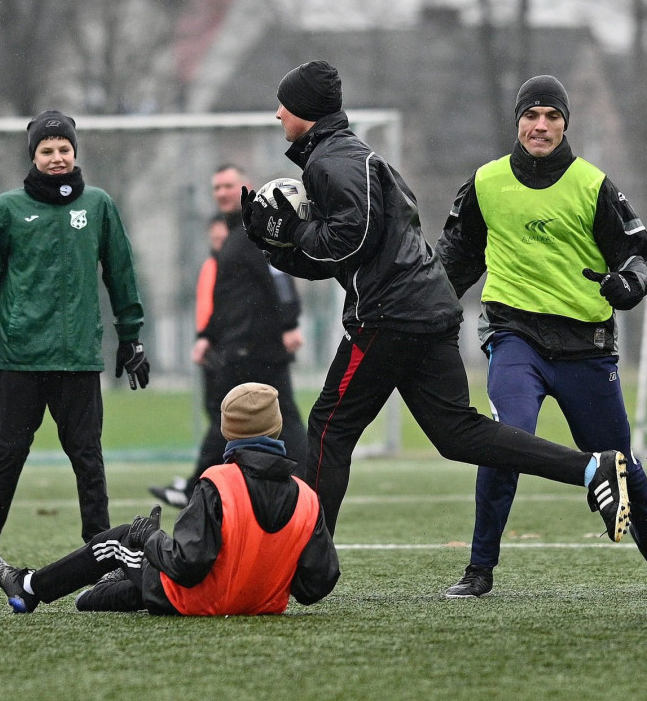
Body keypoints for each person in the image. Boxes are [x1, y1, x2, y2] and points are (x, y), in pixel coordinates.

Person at [240, 59, 632, 551]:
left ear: (304, 111)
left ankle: (304, 562)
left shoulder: (332, 161)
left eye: (285, 104)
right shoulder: (352, 157)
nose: (278, 114)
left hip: (389, 317)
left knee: (327, 431)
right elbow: (337, 259)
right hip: (426, 309)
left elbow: (349, 239)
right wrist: (273, 244)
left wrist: (292, 229)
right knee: (457, 434)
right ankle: (590, 467)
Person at [435, 74, 647, 598]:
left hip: (586, 346)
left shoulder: (594, 185)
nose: (541, 125)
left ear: (565, 123)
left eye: (552, 116)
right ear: (518, 120)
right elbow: (455, 261)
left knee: (618, 463)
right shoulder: (485, 182)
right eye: (532, 115)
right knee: (507, 438)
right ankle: (478, 569)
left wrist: (628, 284)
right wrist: (422, 310)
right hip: (515, 337)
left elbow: (638, 255)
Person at [0, 110, 150, 584]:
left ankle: (103, 560)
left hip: (79, 358)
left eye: (64, 148)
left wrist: (132, 339)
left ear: (75, 152)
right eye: (47, 150)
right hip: (21, 357)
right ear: (34, 156)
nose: (57, 157)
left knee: (88, 458)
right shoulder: (8, 208)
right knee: (7, 456)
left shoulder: (100, 205)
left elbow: (121, 274)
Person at [0, 382, 340, 615]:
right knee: (108, 590)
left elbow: (187, 565)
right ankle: (98, 594)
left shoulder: (219, 483)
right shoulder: (307, 498)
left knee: (123, 538)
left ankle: (30, 587)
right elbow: (316, 585)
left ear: (227, 431)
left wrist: (149, 538)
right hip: (259, 605)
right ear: (277, 427)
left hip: (194, 600)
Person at [149, 165, 308, 509]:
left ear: (246, 188)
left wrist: (290, 323)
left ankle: (199, 488)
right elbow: (229, 299)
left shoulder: (257, 232)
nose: (221, 192)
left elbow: (280, 280)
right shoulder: (236, 235)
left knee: (253, 420)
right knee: (249, 418)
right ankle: (298, 484)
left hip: (258, 348)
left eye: (228, 186)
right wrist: (208, 335)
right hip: (238, 347)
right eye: (217, 187)